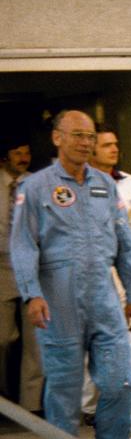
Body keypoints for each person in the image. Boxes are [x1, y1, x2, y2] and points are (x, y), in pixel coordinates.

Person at [10, 110, 131, 439]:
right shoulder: (35, 187)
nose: (85, 143)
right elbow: (23, 244)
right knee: (64, 394)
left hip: (103, 294)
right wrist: (32, 293)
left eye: (90, 136)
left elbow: (126, 242)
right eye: (77, 135)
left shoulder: (106, 185)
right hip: (57, 297)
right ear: (57, 138)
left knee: (120, 381)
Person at [81, 125, 131, 437]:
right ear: (91, 150)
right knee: (95, 343)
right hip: (95, 274)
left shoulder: (129, 183)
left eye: (116, 144)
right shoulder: (78, 183)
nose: (114, 149)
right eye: (106, 145)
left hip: (130, 271)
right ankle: (89, 404)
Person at [0, 140, 42, 412]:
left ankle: (32, 405)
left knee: (36, 340)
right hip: (0, 264)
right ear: (5, 157)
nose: (23, 158)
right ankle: (4, 397)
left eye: (27, 152)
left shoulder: (38, 183)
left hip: (31, 264)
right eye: (17, 153)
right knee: (3, 338)